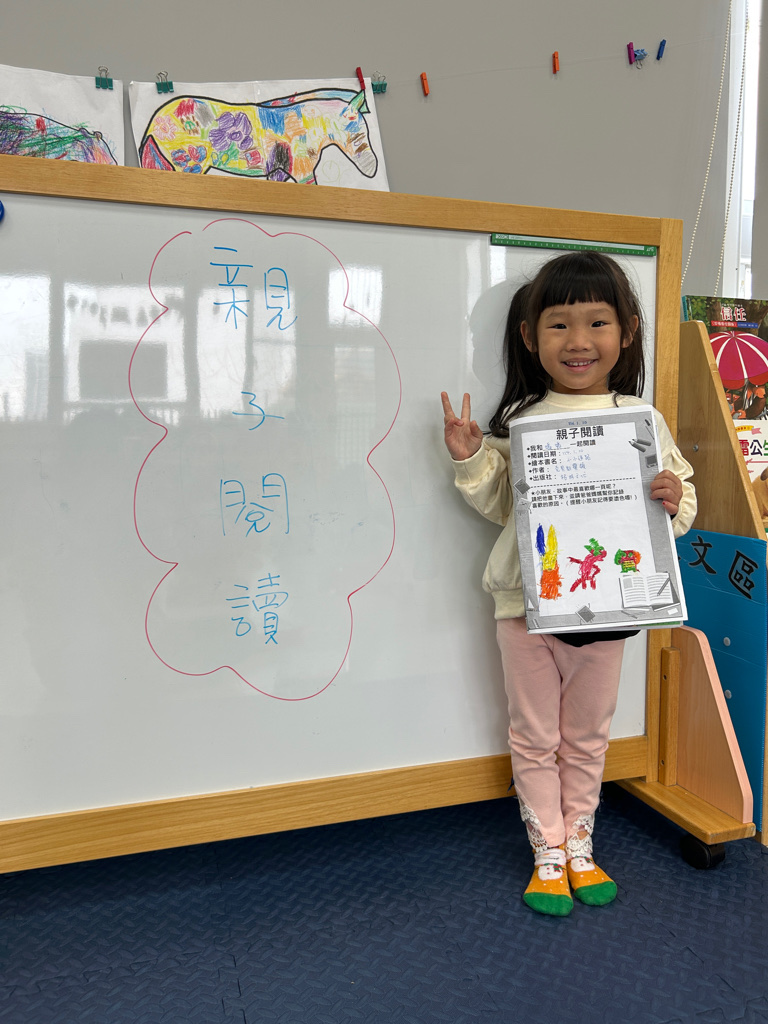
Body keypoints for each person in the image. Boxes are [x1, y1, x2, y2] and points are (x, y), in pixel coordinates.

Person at [441, 251, 696, 916]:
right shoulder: (521, 419)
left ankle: (581, 843)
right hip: (523, 606)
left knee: (587, 734)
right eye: (559, 324)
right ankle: (547, 852)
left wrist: (673, 499)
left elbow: (679, 506)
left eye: (596, 322)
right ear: (530, 336)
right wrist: (471, 457)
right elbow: (505, 506)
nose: (578, 340)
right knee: (533, 735)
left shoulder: (641, 419)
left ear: (627, 331)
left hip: (607, 606)